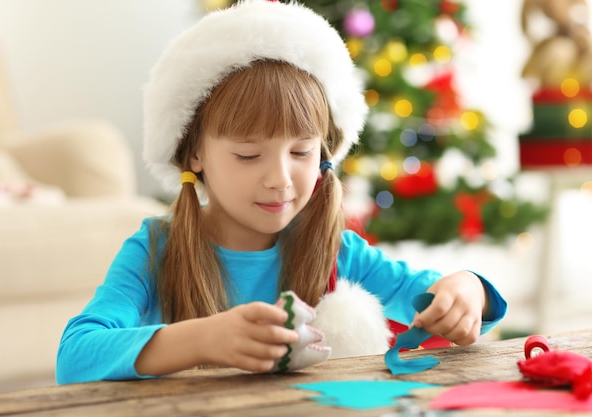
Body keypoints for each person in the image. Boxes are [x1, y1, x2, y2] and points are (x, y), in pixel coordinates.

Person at [56, 0, 507, 384]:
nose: (280, 179)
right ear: (194, 154)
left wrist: (468, 291)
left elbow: (427, 296)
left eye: (301, 152)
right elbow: (75, 356)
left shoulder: (337, 251)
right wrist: (206, 338)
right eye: (249, 155)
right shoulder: (156, 248)